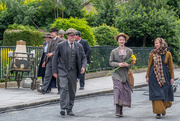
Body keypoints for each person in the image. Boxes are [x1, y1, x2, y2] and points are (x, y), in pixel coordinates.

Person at [52, 28, 87, 116]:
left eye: (75, 35)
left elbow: (84, 57)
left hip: (73, 71)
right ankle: (63, 108)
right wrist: (54, 71)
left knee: (72, 90)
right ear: (67, 36)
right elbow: (55, 58)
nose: (74, 37)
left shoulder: (79, 46)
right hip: (62, 70)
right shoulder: (61, 45)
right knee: (64, 88)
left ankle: (69, 108)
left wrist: (83, 66)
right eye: (72, 35)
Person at [146, 38, 174, 119]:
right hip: (154, 76)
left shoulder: (168, 54)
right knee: (156, 94)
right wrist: (147, 76)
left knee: (166, 92)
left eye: (157, 43)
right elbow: (150, 65)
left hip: (165, 75)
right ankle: (158, 112)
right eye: (155, 43)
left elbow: (171, 66)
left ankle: (163, 108)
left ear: (162, 44)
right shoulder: (153, 53)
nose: (155, 45)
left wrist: (172, 77)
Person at [109, 33, 133, 117]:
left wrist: (127, 65)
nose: (121, 41)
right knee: (117, 89)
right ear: (118, 41)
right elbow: (111, 62)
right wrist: (118, 64)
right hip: (116, 74)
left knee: (124, 91)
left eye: (123, 40)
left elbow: (132, 63)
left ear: (125, 41)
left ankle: (121, 109)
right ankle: (117, 109)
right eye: (120, 40)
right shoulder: (114, 51)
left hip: (125, 74)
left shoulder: (129, 51)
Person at [37, 28, 63, 94]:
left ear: (56, 33)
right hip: (50, 60)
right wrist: (45, 61)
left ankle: (60, 90)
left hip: (57, 61)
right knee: (47, 75)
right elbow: (47, 52)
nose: (51, 33)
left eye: (53, 32)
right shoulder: (50, 41)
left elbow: (60, 50)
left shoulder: (60, 40)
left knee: (58, 75)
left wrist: (52, 53)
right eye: (51, 32)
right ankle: (43, 89)